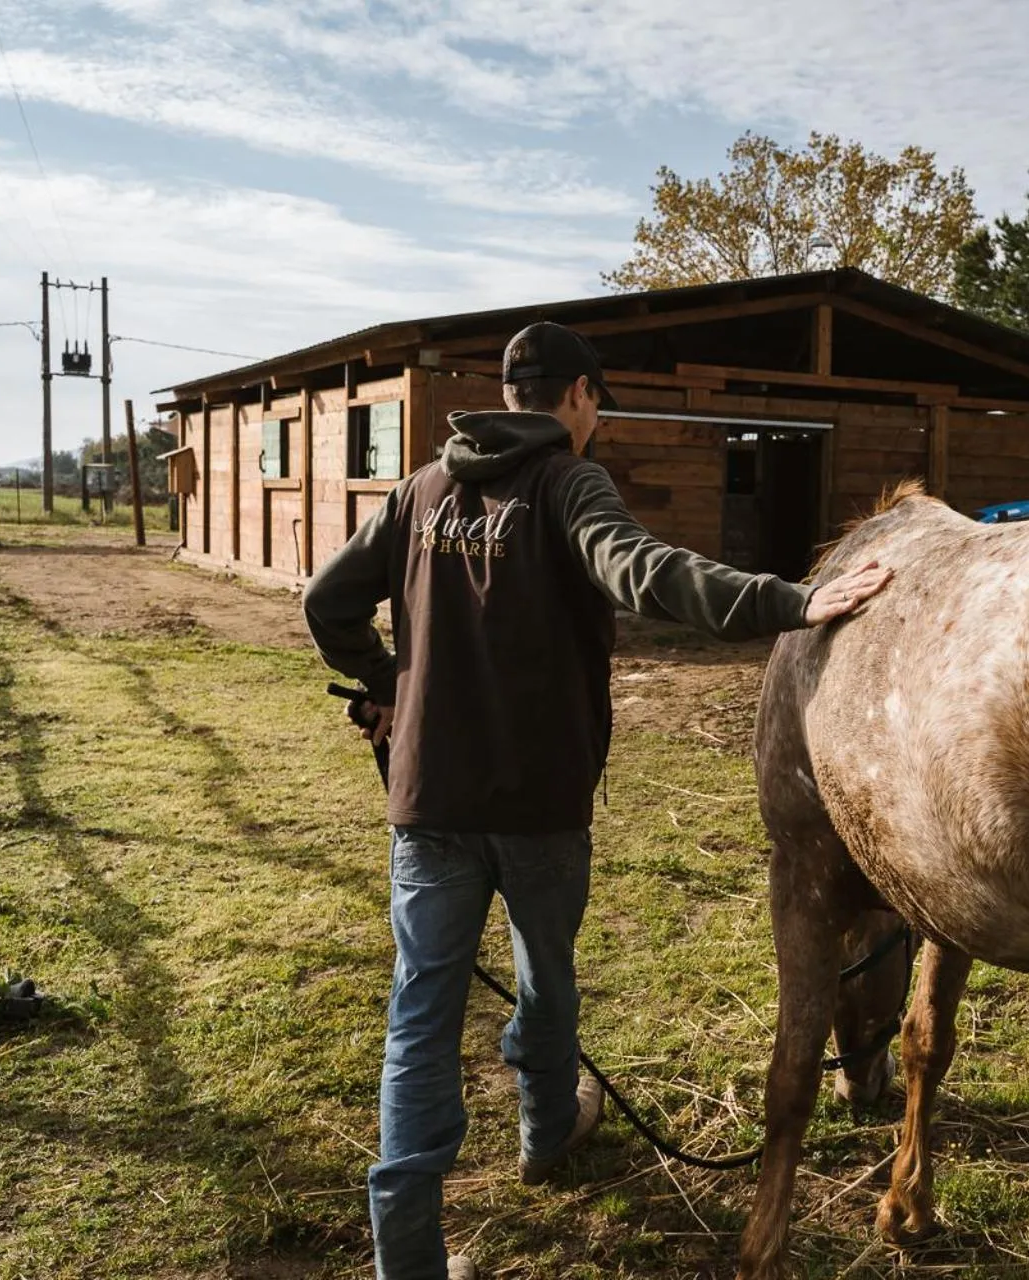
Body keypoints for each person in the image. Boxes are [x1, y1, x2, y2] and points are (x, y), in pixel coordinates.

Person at [302, 321, 892, 1280]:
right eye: (597, 401)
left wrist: (385, 686)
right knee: (545, 978)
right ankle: (543, 1132)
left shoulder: (420, 490)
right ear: (578, 394)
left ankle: (405, 1256)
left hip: (429, 803)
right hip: (539, 805)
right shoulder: (570, 481)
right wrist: (793, 600)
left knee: (420, 1012)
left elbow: (326, 602)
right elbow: (645, 573)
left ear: (505, 391)